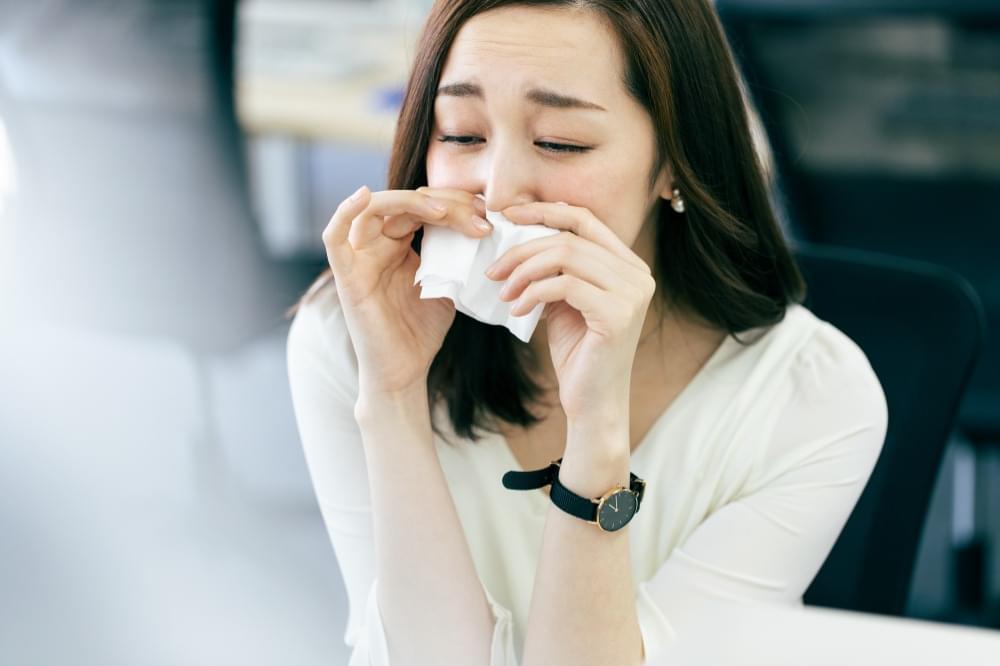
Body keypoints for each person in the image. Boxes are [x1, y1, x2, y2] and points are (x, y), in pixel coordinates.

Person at [285, 1, 888, 665]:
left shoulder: (812, 399)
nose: (500, 189)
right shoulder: (351, 338)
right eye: (460, 134)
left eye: (561, 142)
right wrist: (394, 395)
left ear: (674, 166)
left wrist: (598, 427)